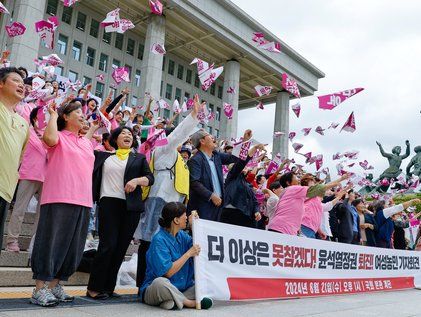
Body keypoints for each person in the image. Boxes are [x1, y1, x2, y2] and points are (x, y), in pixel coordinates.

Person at [30, 100, 98, 307]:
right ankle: (40, 288)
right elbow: (49, 138)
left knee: (72, 247)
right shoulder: (58, 137)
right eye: (77, 111)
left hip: (83, 201)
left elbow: (86, 137)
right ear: (65, 117)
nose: (82, 114)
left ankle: (55, 286)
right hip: (58, 196)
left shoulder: (86, 142)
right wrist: (52, 114)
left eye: (83, 112)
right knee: (50, 243)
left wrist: (93, 126)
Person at [133, 94, 203, 288]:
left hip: (173, 203)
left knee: (162, 243)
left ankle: (161, 280)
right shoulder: (164, 149)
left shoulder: (179, 158)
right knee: (150, 242)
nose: (184, 140)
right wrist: (193, 117)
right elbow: (177, 135)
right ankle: (144, 283)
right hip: (159, 201)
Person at [87, 127, 154, 299]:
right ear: (115, 139)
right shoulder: (104, 156)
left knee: (120, 248)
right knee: (107, 245)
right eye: (123, 133)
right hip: (108, 203)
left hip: (130, 207)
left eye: (130, 135)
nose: (127, 136)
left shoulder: (138, 158)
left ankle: (109, 287)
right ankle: (94, 288)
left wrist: (136, 180)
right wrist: (93, 129)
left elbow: (150, 178)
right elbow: (85, 146)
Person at [140, 202, 212, 310]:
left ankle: (173, 301)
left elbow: (199, 248)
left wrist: (194, 227)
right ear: (176, 220)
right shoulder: (158, 240)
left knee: (206, 283)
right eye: (184, 216)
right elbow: (167, 273)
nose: (187, 218)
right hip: (157, 289)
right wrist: (188, 254)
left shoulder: (182, 235)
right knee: (160, 282)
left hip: (182, 289)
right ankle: (189, 303)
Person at [6, 107, 47, 252]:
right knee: (20, 209)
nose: (45, 119)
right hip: (28, 174)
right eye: (43, 116)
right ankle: (12, 240)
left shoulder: (51, 135)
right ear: (35, 118)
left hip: (47, 177)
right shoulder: (26, 130)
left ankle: (35, 244)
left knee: (42, 214)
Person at [0, 67, 28, 255]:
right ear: (1, 84)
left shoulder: (23, 123)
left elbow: (18, 157)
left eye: (23, 83)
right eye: (16, 80)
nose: (21, 85)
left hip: (5, 190)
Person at [268, 172, 349, 236]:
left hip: (284, 228)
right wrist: (338, 181)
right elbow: (318, 189)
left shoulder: (292, 193)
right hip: (283, 228)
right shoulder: (293, 189)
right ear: (288, 182)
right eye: (295, 177)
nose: (298, 179)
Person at [187, 129, 243, 221]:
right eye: (209, 136)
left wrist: (244, 140)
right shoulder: (195, 160)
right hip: (203, 205)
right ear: (202, 141)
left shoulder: (216, 156)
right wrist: (211, 196)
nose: (213, 138)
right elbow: (195, 183)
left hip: (219, 204)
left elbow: (233, 157)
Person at [220, 144, 266, 228]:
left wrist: (256, 211)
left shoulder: (247, 183)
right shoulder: (232, 177)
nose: (246, 167)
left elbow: (255, 201)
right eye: (244, 167)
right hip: (230, 214)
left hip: (245, 215)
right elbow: (241, 163)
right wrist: (255, 148)